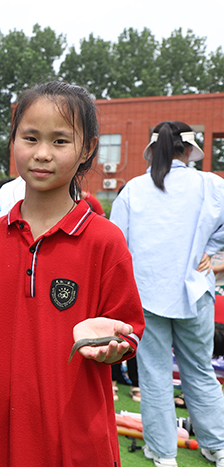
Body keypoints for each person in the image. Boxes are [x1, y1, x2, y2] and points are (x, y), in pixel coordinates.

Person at [0, 81, 145, 467]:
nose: (42, 154)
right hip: (1, 432)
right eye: (30, 137)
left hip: (77, 436)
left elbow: (127, 330)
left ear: (87, 148)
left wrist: (113, 347)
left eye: (60, 141)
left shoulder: (104, 241)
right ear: (13, 141)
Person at [110, 120, 224, 467]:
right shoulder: (210, 184)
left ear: (152, 149)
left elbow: (117, 244)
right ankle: (218, 446)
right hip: (195, 292)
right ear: (188, 150)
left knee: (155, 376)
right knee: (200, 371)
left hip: (145, 294)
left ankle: (163, 454)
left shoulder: (134, 189)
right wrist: (214, 255)